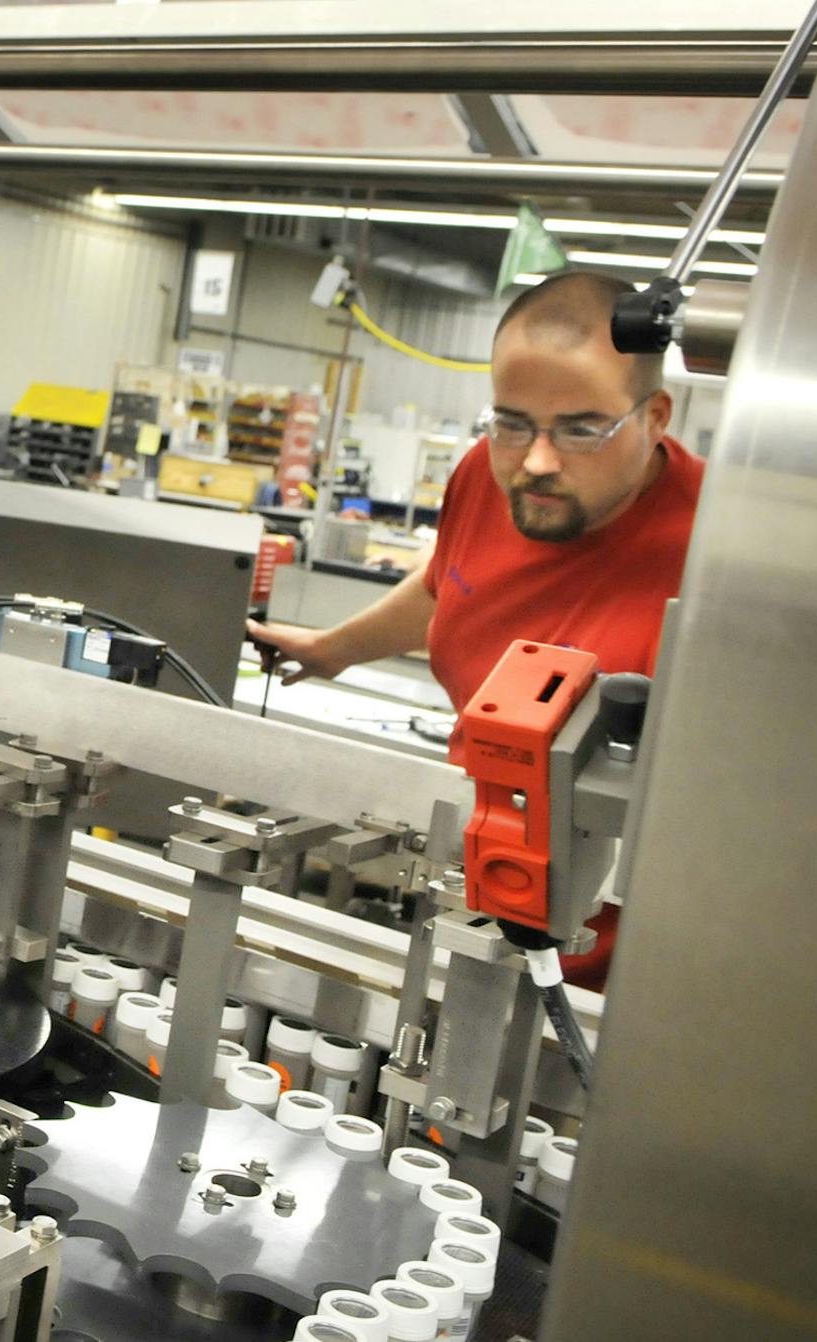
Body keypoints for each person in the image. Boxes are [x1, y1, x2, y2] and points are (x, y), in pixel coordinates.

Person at [248, 270, 705, 987]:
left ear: (655, 418)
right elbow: (447, 584)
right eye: (512, 423)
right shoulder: (486, 479)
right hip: (472, 890)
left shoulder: (724, 549)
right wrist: (331, 651)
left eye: (583, 428)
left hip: (615, 960)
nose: (537, 461)